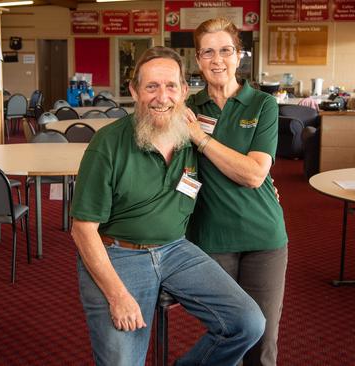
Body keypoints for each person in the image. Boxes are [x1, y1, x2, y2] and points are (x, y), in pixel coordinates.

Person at [70, 46, 265, 366]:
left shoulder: (192, 138)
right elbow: (82, 230)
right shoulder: (107, 144)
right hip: (118, 253)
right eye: (151, 87)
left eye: (171, 86)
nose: (163, 97)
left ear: (185, 91)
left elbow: (239, 171)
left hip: (176, 250)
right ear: (134, 91)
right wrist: (117, 296)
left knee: (247, 323)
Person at [184, 17, 289, 366]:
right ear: (197, 59)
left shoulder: (262, 105)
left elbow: (255, 174)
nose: (218, 60)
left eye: (226, 50)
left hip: (264, 236)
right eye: (208, 52)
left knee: (262, 343)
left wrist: (200, 138)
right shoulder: (187, 109)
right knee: (229, 333)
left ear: (239, 55)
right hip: (211, 237)